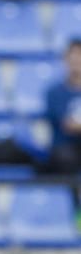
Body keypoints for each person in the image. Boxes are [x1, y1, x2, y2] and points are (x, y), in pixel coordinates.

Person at [45, 40, 81, 175]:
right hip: (64, 149)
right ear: (66, 59)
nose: (77, 61)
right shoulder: (55, 93)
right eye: (73, 56)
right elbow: (68, 125)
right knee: (66, 158)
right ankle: (71, 195)